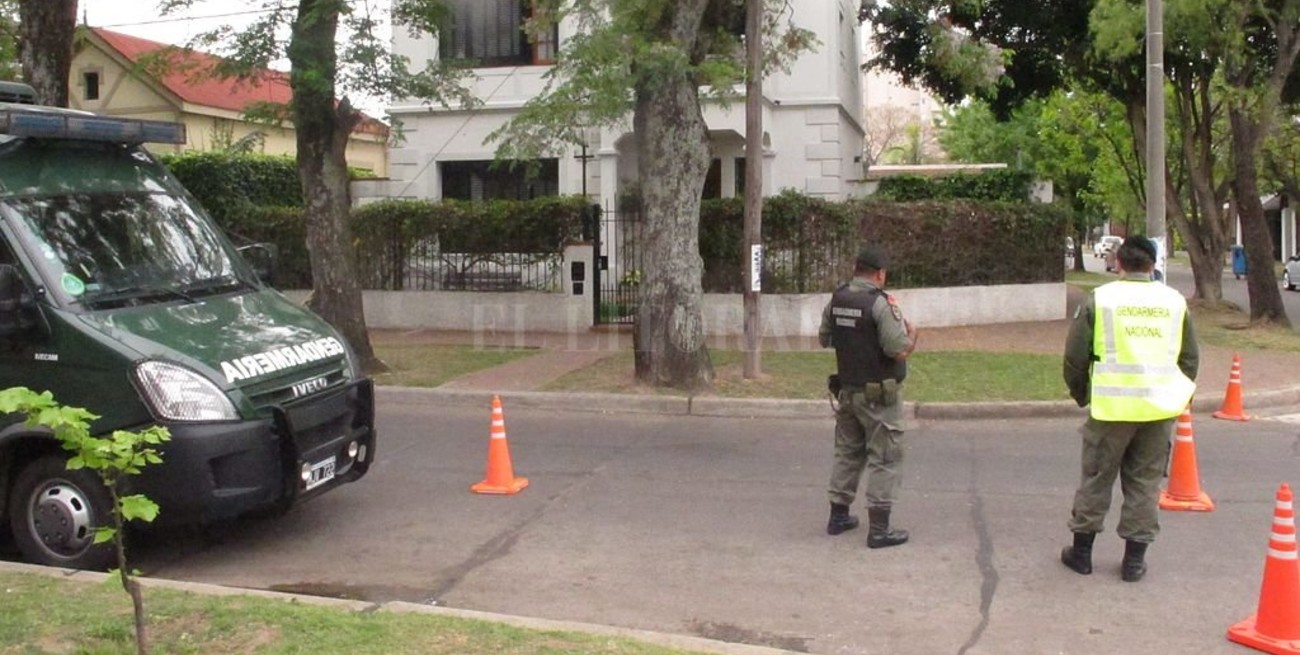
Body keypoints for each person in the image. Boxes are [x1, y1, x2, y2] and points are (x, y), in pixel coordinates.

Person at [1060, 235, 1199, 582]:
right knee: (1144, 484)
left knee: (1096, 479)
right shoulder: (1174, 302)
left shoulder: (1101, 299)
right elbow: (1190, 359)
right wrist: (1177, 396)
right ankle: (1134, 562)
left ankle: (1082, 555)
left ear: (1118, 263)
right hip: (1157, 410)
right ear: (1153, 265)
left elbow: (1075, 358)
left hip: (1110, 409)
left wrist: (1082, 394)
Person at [819, 245, 917, 549]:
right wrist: (914, 338)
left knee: (847, 451)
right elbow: (896, 349)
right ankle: (879, 530)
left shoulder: (837, 299)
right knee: (885, 457)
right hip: (879, 397)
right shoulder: (880, 304)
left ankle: (838, 516)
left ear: (855, 269)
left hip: (847, 391)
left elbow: (825, 338)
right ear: (880, 273)